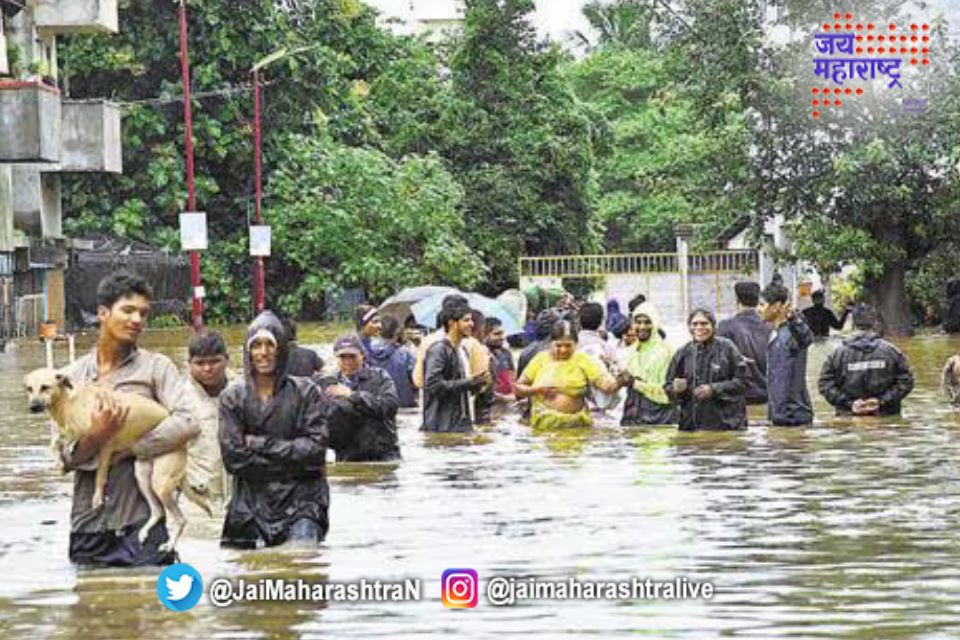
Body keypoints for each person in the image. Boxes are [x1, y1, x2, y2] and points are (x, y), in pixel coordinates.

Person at [56, 272, 199, 566]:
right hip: (88, 524)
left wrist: (131, 449)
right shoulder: (69, 378)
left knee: (155, 605)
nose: (137, 320)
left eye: (143, 314)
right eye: (128, 310)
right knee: (91, 605)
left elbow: (189, 422)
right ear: (102, 313)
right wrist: (97, 435)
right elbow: (63, 459)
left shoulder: (156, 368)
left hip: (141, 522)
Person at [219, 311, 329, 548]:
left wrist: (260, 444)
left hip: (302, 503)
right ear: (248, 352)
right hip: (249, 505)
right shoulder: (233, 397)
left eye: (270, 344)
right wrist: (293, 462)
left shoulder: (306, 393)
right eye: (256, 345)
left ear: (282, 348)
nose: (264, 352)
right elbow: (234, 459)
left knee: (302, 566)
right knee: (243, 574)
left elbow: (316, 451)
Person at [514, 320, 629, 428]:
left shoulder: (583, 359)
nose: (563, 350)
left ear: (576, 344)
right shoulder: (540, 359)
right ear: (551, 343)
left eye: (568, 345)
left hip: (576, 426)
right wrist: (537, 390)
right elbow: (517, 388)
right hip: (543, 424)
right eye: (558, 345)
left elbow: (606, 386)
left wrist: (621, 381)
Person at [315, 335, 401, 462]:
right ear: (336, 358)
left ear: (362, 355)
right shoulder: (328, 383)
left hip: (382, 455)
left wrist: (352, 395)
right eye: (343, 357)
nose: (348, 361)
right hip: (347, 456)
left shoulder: (380, 377)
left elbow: (390, 406)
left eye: (352, 356)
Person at [818, 304, 914, 417]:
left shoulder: (837, 355)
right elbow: (906, 381)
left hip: (849, 420)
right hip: (885, 418)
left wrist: (850, 404)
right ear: (875, 323)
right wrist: (881, 401)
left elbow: (824, 384)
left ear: (853, 324)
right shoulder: (892, 351)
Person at [665, 308, 749, 431]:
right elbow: (667, 387)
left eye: (704, 323)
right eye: (695, 324)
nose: (699, 327)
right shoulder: (682, 353)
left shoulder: (727, 348)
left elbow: (743, 382)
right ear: (689, 327)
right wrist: (675, 389)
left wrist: (713, 389)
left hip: (727, 425)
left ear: (713, 326)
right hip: (691, 427)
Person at [421, 300, 490, 432]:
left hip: (460, 424)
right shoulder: (438, 350)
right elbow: (433, 385)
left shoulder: (462, 350)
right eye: (466, 320)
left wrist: (478, 384)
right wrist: (468, 382)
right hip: (441, 427)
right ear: (452, 323)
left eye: (471, 320)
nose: (472, 324)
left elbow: (460, 386)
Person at [184, 331, 234, 502]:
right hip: (195, 495)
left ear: (227, 359)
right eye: (200, 363)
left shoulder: (243, 393)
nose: (207, 369)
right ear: (189, 364)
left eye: (214, 361)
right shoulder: (177, 398)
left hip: (239, 493)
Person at [759, 282, 815, 426]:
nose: (759, 309)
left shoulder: (793, 333)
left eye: (762, 304)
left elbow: (807, 338)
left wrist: (793, 318)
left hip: (795, 416)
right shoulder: (775, 333)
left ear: (776, 306)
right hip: (780, 415)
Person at [621, 302, 677, 426]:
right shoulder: (631, 351)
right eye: (638, 322)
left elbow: (667, 393)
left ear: (655, 324)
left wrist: (635, 383)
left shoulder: (665, 351)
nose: (642, 327)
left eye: (647, 322)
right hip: (634, 415)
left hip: (660, 416)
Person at [717, 282, 769, 405]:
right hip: (768, 394)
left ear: (737, 300)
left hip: (739, 396)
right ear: (758, 300)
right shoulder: (771, 325)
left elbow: (719, 363)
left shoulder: (725, 326)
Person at [368, 315, 417, 408]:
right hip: (402, 404)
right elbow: (416, 380)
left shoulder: (366, 352)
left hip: (374, 405)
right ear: (396, 333)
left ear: (377, 332)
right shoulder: (405, 354)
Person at [485, 317, 516, 400]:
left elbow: (513, 378)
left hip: (508, 403)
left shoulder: (506, 353)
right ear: (484, 334)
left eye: (502, 333)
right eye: (497, 334)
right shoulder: (482, 355)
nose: (502, 337)